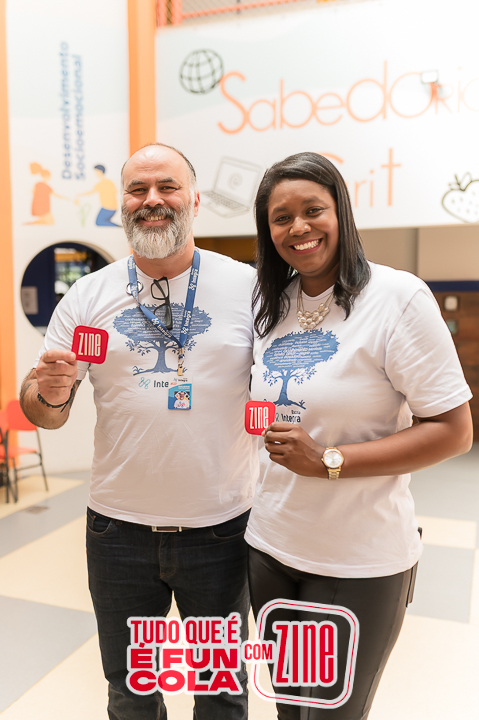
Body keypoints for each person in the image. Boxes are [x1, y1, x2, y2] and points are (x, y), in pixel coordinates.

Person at [20, 143, 258, 720]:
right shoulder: (88, 295)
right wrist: (49, 391)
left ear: (194, 201)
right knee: (129, 691)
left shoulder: (248, 288)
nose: (152, 200)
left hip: (222, 528)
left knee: (222, 692)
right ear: (121, 204)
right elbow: (44, 411)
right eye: (137, 189)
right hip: (117, 532)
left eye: (167, 187)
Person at [246, 152, 473, 719]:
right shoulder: (270, 305)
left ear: (341, 213)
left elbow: (453, 431)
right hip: (272, 550)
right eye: (281, 217)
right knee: (290, 710)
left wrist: (329, 459)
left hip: (358, 562)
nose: (298, 227)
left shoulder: (399, 298)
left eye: (313, 210)